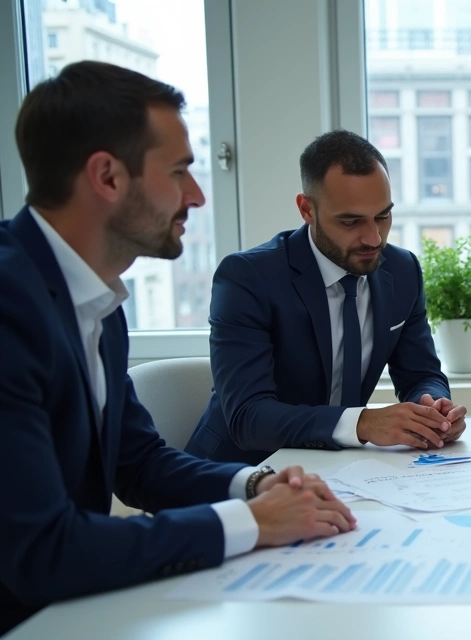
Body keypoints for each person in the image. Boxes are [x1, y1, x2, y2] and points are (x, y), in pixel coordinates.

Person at [0, 61, 355, 634]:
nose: (195, 196)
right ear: (107, 177)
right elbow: (45, 551)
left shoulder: (94, 299)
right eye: (179, 171)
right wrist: (251, 523)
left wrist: (256, 485)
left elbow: (138, 464)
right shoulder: (11, 309)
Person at [185, 131, 465, 465]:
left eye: (383, 216)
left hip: (338, 471)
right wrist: (361, 423)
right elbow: (249, 417)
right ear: (307, 210)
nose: (374, 238)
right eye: (351, 221)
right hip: (239, 474)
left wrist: (434, 409)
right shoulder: (248, 278)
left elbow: (421, 373)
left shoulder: (402, 271)